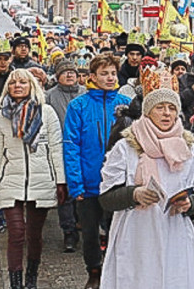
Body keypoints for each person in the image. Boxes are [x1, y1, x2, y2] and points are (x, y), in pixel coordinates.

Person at [97, 76, 194, 289]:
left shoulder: (187, 148)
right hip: (136, 234)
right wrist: (134, 194)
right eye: (160, 107)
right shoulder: (126, 147)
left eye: (172, 108)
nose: (167, 113)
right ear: (147, 111)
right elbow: (106, 198)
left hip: (174, 232)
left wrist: (190, 203)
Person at [0, 68, 67, 289]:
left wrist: (61, 181)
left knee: (34, 235)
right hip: (10, 181)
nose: (17, 86)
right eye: (13, 83)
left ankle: (31, 278)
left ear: (32, 86)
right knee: (17, 233)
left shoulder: (46, 113)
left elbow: (56, 149)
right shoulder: (0, 117)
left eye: (22, 82)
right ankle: (15, 283)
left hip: (42, 180)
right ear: (7, 88)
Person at [63, 52, 131, 289]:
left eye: (113, 73)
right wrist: (75, 183)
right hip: (89, 179)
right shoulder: (78, 106)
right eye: (104, 73)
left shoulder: (125, 104)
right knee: (90, 232)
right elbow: (71, 145)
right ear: (92, 76)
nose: (110, 78)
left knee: (118, 230)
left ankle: (117, 272)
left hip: (117, 182)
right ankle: (94, 271)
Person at [45, 60, 83, 254]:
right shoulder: (50, 96)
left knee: (82, 189)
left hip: (83, 148)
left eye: (72, 72)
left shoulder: (85, 93)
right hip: (60, 148)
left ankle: (81, 223)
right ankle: (69, 231)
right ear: (57, 75)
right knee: (65, 191)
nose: (69, 75)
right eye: (65, 72)